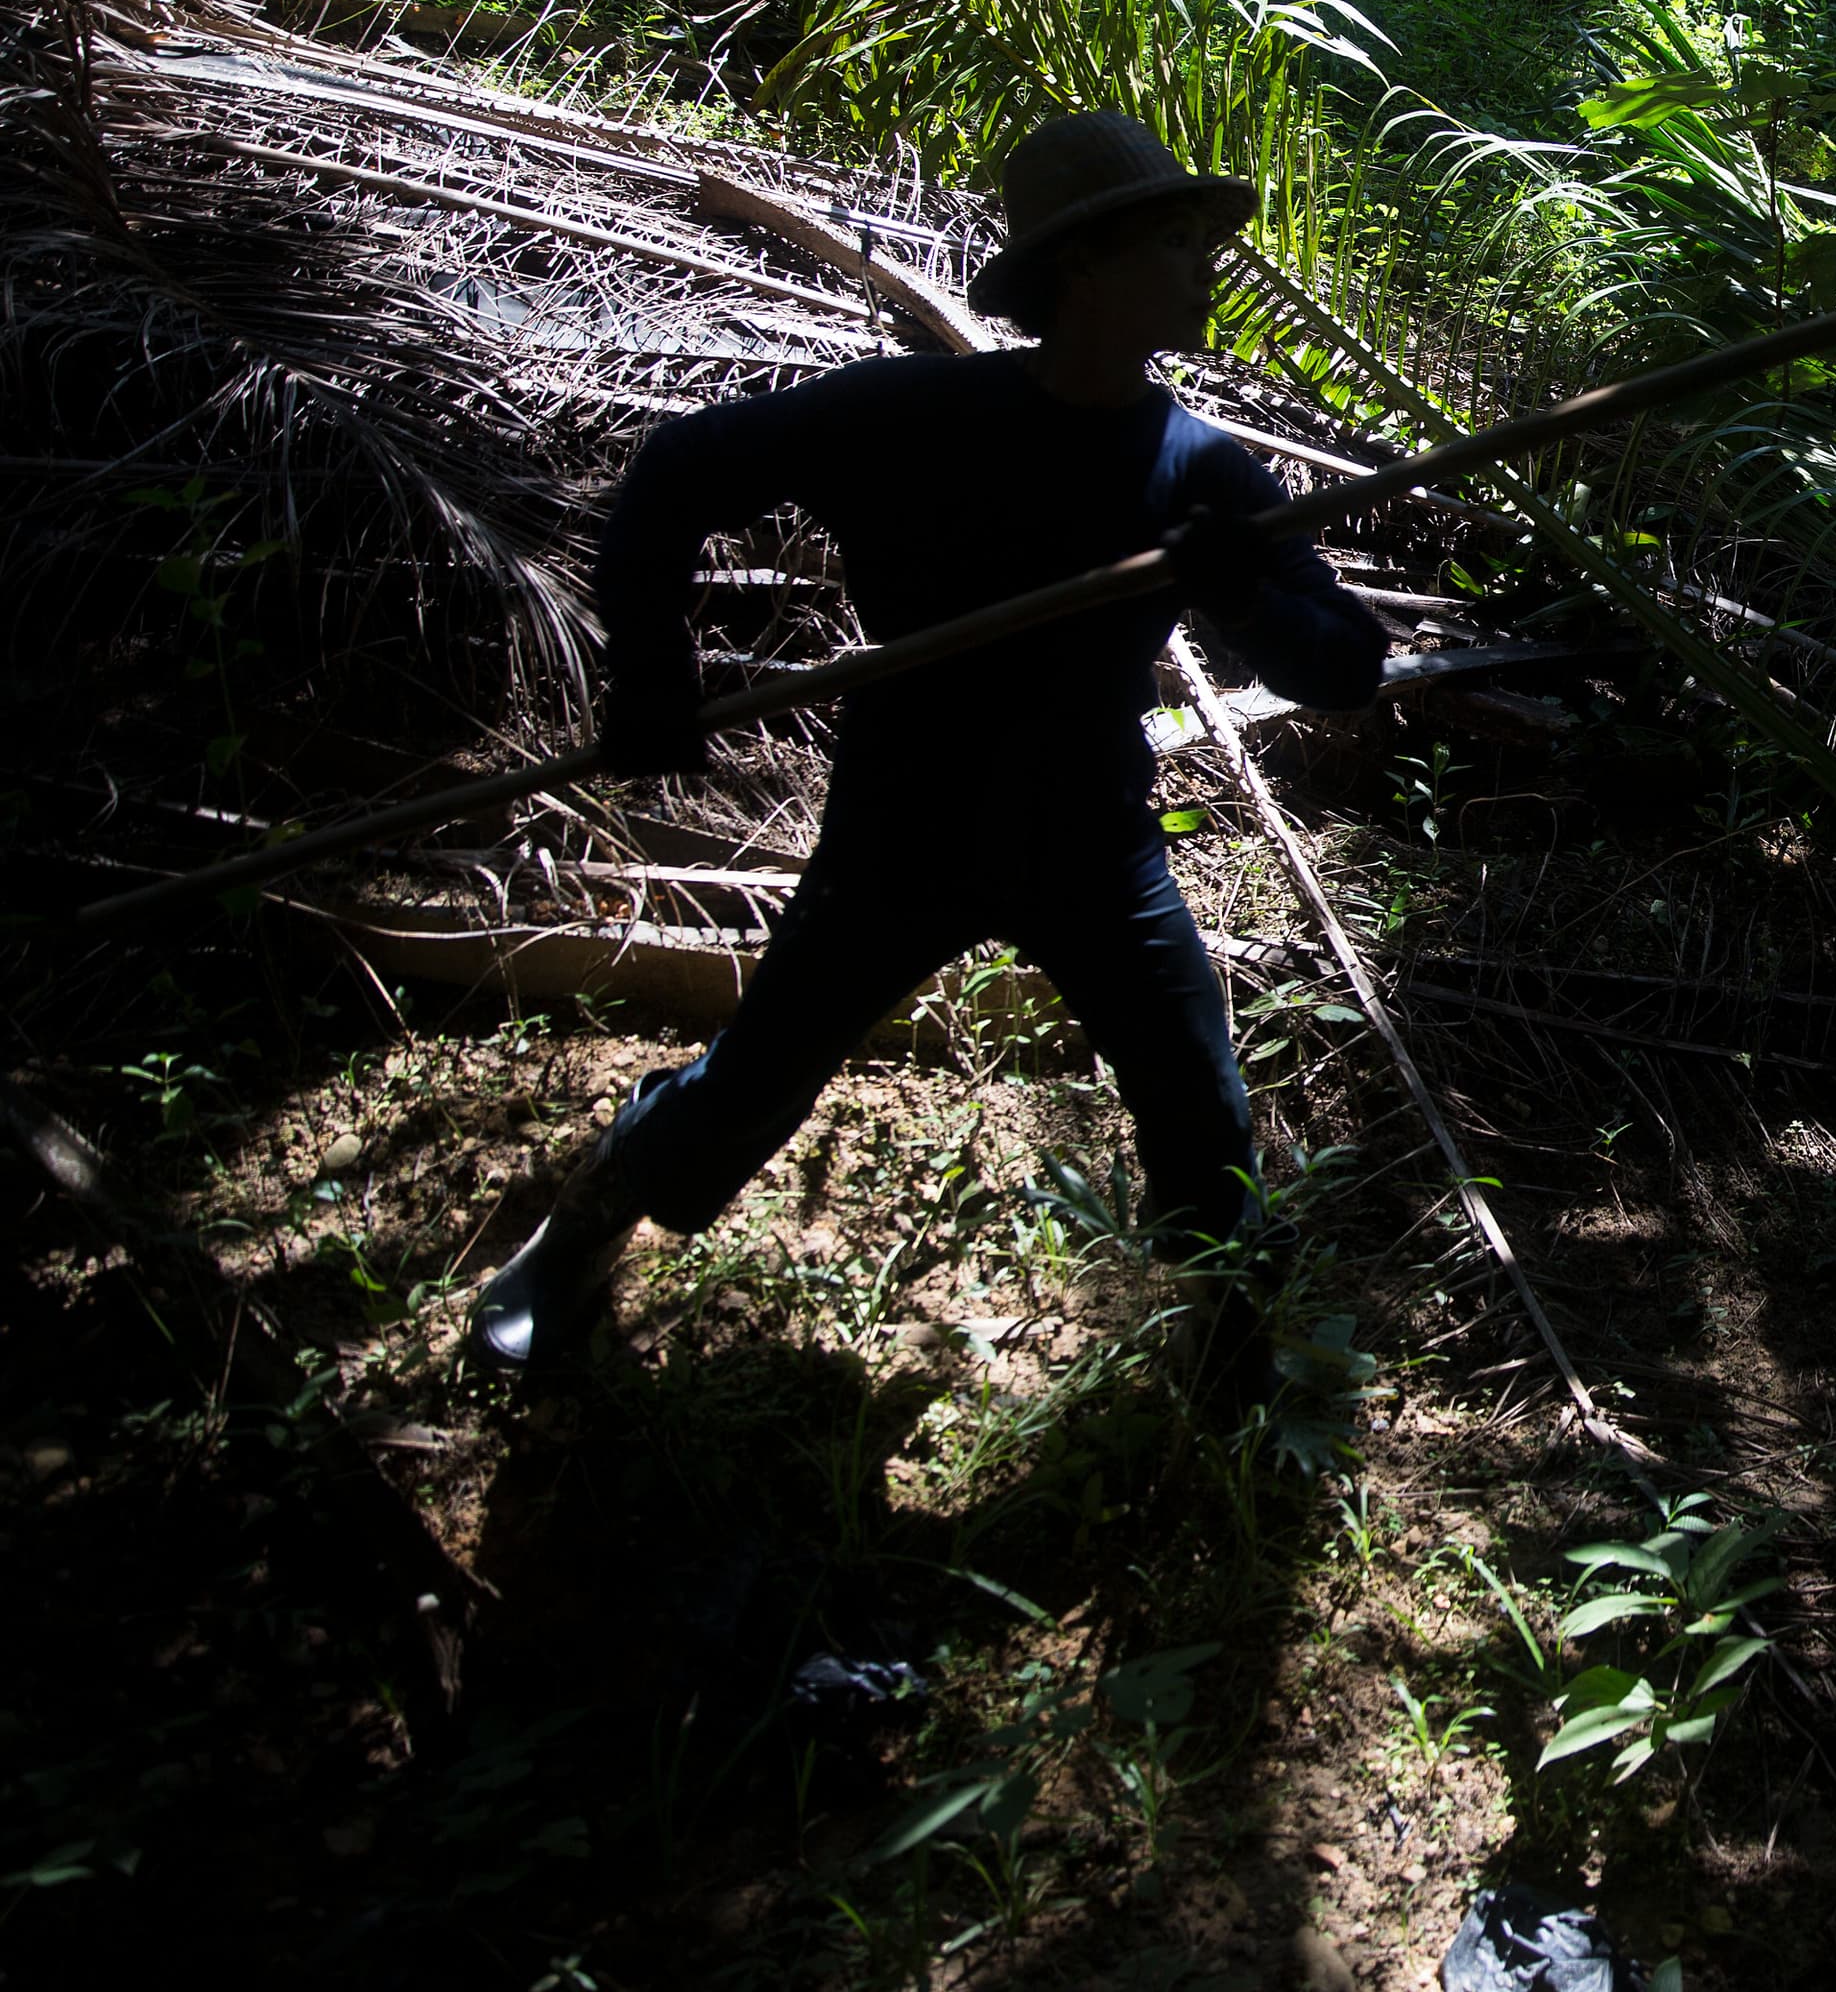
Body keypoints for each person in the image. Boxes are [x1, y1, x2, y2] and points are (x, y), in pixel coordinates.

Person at [470, 111, 1386, 1418]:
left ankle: (1232, 1360)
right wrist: (655, 675)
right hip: (908, 819)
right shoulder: (914, 419)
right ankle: (578, 1240)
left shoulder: (1204, 476)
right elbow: (678, 472)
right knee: (757, 1080)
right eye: (1177, 244)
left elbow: (1345, 664)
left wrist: (1245, 595)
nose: (1207, 269)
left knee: (1197, 1099)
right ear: (1084, 268)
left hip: (1089, 833)